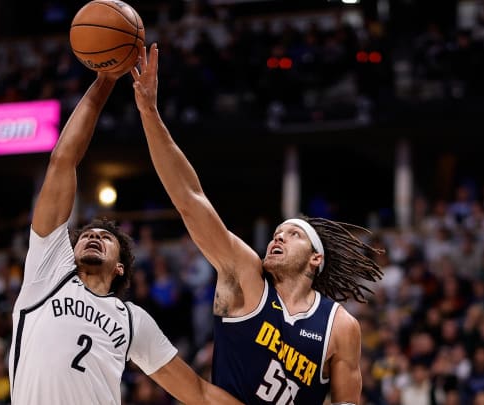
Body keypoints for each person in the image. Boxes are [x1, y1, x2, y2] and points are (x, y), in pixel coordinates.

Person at [132, 43, 384, 404]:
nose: (278, 238)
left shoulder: (340, 327)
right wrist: (149, 113)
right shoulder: (244, 276)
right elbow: (190, 200)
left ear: (316, 258)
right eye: (277, 233)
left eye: (293, 234)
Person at [8, 70, 242, 405]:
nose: (92, 237)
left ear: (120, 267)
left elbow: (200, 393)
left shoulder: (132, 320)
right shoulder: (48, 274)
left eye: (105, 237)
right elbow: (63, 160)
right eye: (86, 235)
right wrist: (104, 81)